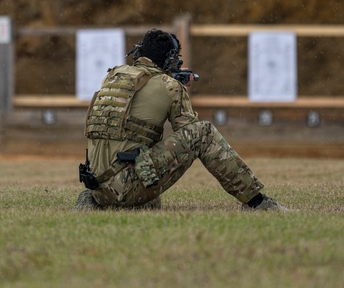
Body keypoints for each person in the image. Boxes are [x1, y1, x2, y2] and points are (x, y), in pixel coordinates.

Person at [75, 29, 288, 211]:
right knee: (203, 132)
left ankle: (96, 201)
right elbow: (191, 134)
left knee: (150, 198)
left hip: (97, 190)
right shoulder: (170, 86)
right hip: (126, 188)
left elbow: (137, 110)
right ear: (169, 60)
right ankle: (257, 203)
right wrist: (180, 91)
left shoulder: (113, 76)